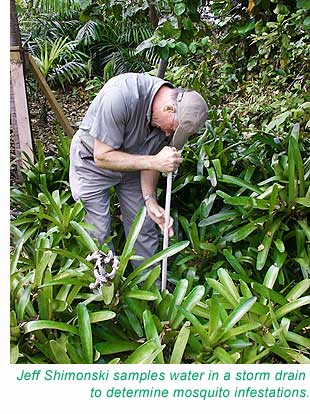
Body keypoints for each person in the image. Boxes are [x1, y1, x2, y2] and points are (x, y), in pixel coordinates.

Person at [69, 72, 208, 264]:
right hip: (91, 162)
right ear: (168, 108)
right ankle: (106, 289)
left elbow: (154, 156)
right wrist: (154, 162)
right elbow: (102, 157)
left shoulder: (171, 120)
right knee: (97, 233)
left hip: (134, 164)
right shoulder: (121, 96)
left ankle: (149, 287)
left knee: (144, 226)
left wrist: (150, 200)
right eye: (172, 129)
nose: (168, 133)